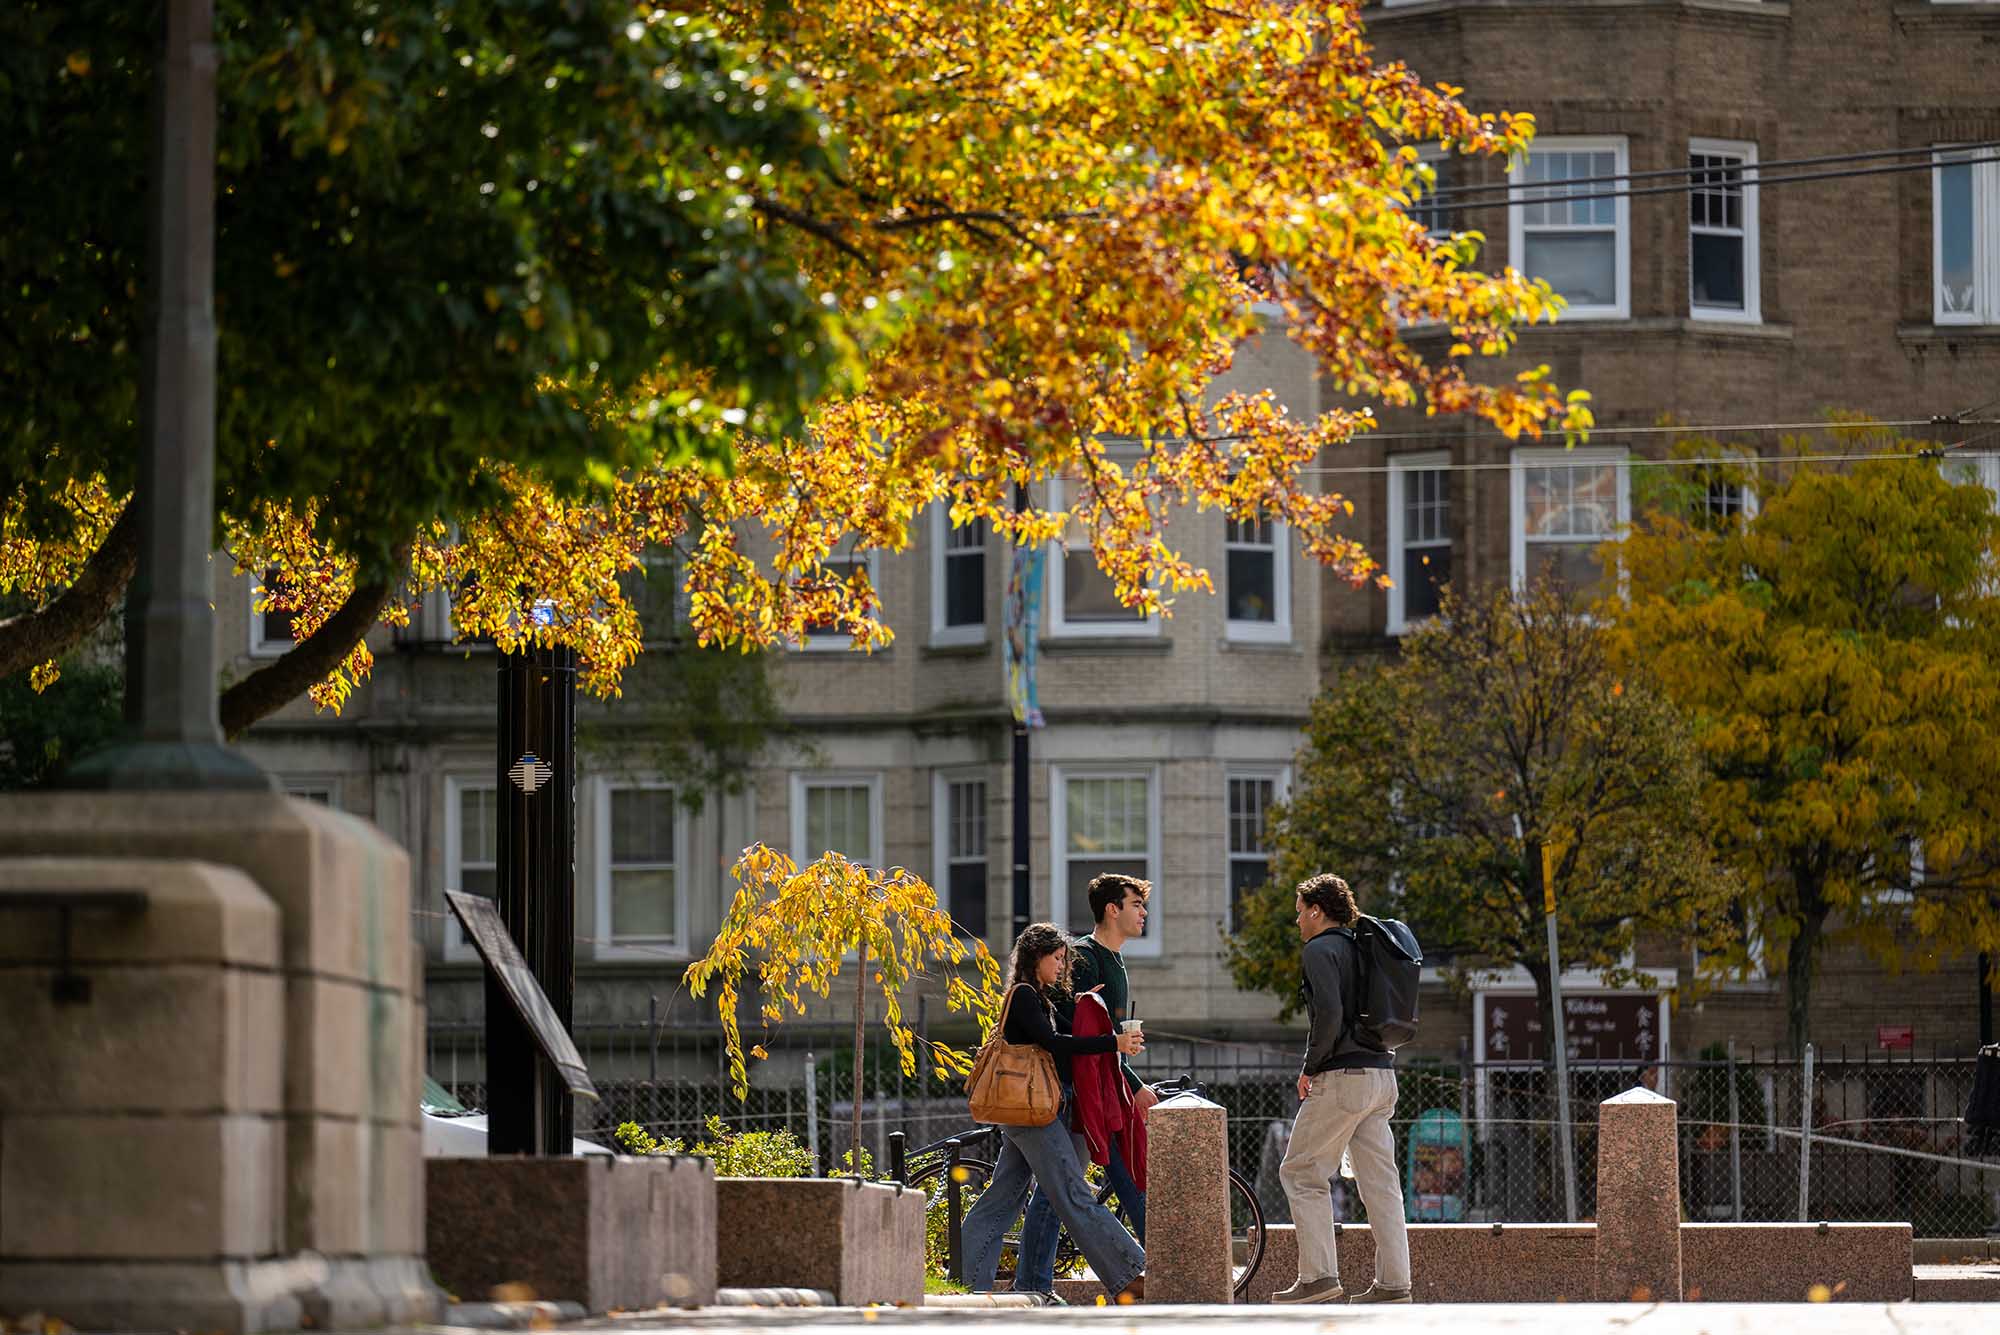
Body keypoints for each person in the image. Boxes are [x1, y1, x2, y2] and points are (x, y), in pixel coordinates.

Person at [961, 923, 1148, 1302]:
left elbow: (1074, 1035)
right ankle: (1130, 1272)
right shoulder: (1025, 995)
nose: (1062, 966)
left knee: (1003, 1198)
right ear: (1036, 958)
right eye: (1057, 958)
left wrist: (1088, 1010)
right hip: (1030, 1115)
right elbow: (1055, 1043)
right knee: (1071, 1189)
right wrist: (1114, 1041)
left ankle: (967, 1282)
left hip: (1026, 1114)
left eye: (1064, 958)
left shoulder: (1041, 999)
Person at [1275, 873, 1412, 1304]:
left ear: (1317, 910)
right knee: (1380, 1183)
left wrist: (1310, 1066)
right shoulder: (1361, 947)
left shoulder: (1319, 949)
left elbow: (1329, 1014)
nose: (1297, 921)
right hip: (1381, 1077)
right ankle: (1394, 1284)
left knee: (1300, 1172)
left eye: (1300, 912)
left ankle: (1318, 1276)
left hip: (1343, 1078)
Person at [1015, 874, 1154, 1292]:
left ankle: (1033, 1282)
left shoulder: (1116, 961)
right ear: (1112, 909)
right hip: (1079, 1092)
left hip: (1100, 1087)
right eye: (1136, 905)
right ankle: (1160, 1269)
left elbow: (1104, 1036)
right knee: (1121, 1177)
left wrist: (1125, 1064)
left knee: (1059, 1189)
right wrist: (1132, 1081)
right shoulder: (1084, 956)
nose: (1143, 913)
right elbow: (1067, 1030)